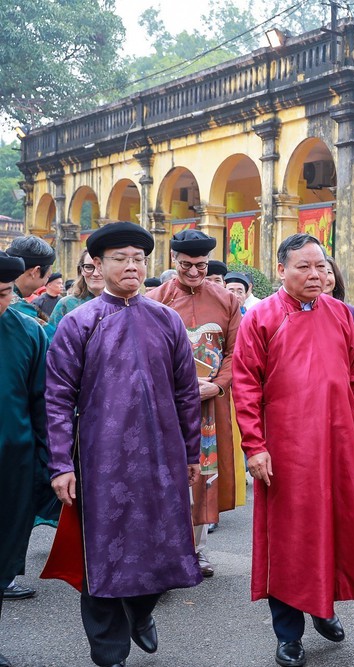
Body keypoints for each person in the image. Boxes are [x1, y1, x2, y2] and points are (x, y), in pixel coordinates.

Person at [43, 222, 203, 667]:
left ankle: (142, 610)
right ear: (98, 264)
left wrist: (191, 454)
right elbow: (57, 398)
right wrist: (61, 464)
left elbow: (187, 394)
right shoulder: (80, 323)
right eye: (121, 258)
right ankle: (109, 651)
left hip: (161, 458)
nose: (132, 266)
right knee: (103, 556)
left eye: (138, 258)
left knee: (161, 544)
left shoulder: (166, 320)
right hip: (100, 459)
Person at [232, 233, 354, 667]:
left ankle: (323, 607)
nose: (316, 274)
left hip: (337, 446)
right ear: (281, 270)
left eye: (321, 266)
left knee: (333, 530)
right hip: (285, 450)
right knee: (289, 538)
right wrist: (255, 447)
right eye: (305, 267)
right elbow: (245, 387)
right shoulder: (261, 318)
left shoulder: (341, 315)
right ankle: (288, 632)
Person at [146, 230, 243, 577]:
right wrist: (180, 389)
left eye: (201, 266)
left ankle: (198, 550)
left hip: (210, 408)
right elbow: (146, 353)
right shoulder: (154, 299)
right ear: (174, 260)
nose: (193, 273)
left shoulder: (226, 300)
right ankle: (166, 548)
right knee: (166, 474)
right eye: (186, 265)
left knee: (205, 475)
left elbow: (236, 352)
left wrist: (216, 387)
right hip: (166, 406)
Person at [0, 251, 52, 662]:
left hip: (12, 464)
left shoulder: (29, 332)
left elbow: (41, 404)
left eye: (2, 295)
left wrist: (48, 463)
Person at [6, 236, 56, 335]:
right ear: (35, 271)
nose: (45, 284)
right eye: (48, 276)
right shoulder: (20, 310)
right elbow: (54, 344)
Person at [323, 257, 354, 362]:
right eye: (320, 272)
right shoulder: (303, 310)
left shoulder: (351, 313)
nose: (324, 278)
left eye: (328, 272)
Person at [50, 250, 105, 329]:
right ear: (81, 270)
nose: (95, 274)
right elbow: (52, 338)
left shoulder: (122, 304)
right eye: (88, 267)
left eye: (101, 267)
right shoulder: (66, 304)